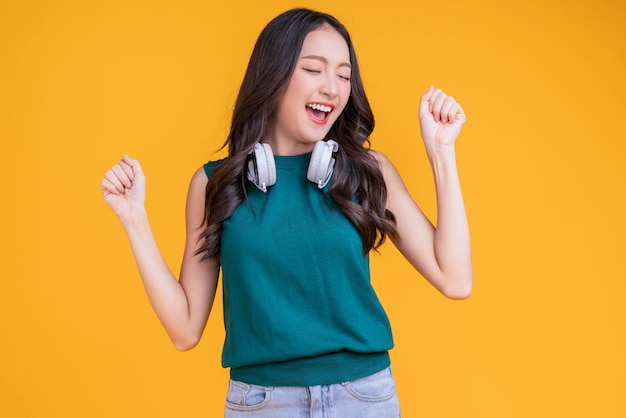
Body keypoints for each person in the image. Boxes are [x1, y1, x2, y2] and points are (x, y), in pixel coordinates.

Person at [101, 7, 472, 418]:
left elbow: (455, 279)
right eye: (314, 69)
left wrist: (442, 153)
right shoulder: (215, 184)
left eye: (344, 75)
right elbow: (185, 330)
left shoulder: (367, 171)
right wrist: (134, 219)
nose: (332, 88)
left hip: (364, 399)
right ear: (273, 75)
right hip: (261, 403)